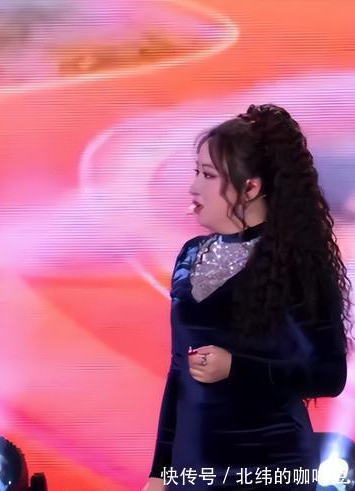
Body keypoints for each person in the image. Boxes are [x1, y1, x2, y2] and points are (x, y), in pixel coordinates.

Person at [143, 104, 350, 490]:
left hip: (270, 468)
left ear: (251, 188)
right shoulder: (189, 255)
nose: (193, 188)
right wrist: (159, 471)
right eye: (196, 172)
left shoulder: (296, 262)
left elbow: (329, 375)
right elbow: (178, 372)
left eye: (208, 175)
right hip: (193, 472)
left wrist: (237, 368)